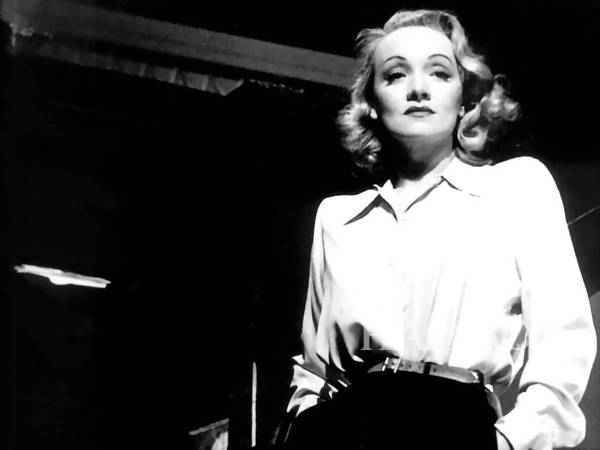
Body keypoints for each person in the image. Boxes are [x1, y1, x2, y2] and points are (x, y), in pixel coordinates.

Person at [282, 9, 597, 450]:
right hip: (347, 431)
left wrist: (507, 443)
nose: (418, 88)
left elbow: (564, 345)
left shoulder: (518, 188)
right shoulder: (336, 218)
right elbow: (314, 372)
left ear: (465, 100)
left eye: (439, 72)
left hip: (457, 426)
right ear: (371, 103)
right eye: (395, 75)